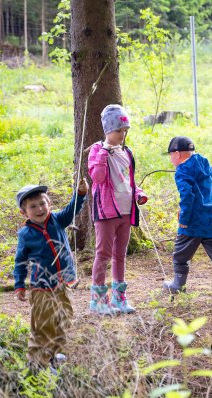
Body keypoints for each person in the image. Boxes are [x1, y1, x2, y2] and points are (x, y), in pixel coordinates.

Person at [14, 178, 88, 373]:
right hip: (41, 287)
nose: (39, 209)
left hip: (63, 283)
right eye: (33, 206)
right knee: (43, 325)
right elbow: (20, 262)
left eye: (42, 204)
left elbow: (73, 209)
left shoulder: (57, 220)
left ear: (49, 204)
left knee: (65, 317)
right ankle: (38, 363)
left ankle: (55, 354)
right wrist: (19, 285)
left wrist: (80, 194)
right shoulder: (25, 234)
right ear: (24, 212)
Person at [88, 104, 148, 314]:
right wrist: (104, 152)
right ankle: (98, 301)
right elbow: (97, 178)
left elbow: (126, 180)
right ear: (108, 130)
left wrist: (138, 193)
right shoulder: (97, 150)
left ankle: (119, 299)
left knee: (120, 255)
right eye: (118, 130)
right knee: (102, 254)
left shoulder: (127, 152)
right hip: (106, 211)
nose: (122, 134)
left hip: (125, 211)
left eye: (125, 130)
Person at [162, 136, 212, 300]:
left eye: (170, 155)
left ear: (178, 154)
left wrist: (183, 220)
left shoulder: (182, 171)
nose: (171, 159)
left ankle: (177, 285)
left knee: (180, 253)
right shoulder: (204, 162)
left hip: (194, 222)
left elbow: (187, 197)